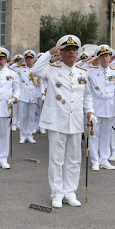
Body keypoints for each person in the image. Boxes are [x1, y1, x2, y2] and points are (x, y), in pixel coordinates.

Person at [31, 35, 94, 208]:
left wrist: (89, 111)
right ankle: (57, 193)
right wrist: (49, 53)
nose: (71, 52)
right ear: (61, 52)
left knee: (74, 159)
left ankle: (70, 191)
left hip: (75, 121)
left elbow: (87, 95)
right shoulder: (51, 69)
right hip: (56, 121)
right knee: (56, 160)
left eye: (74, 49)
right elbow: (35, 70)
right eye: (67, 49)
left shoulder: (82, 72)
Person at [87, 45, 115, 171]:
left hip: (109, 108)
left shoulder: (113, 72)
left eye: (107, 56)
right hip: (96, 107)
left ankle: (104, 159)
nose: (105, 58)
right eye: (102, 56)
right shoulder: (91, 71)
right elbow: (78, 68)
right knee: (94, 135)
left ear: (110, 57)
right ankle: (95, 160)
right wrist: (90, 61)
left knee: (106, 135)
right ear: (98, 58)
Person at [11, 50, 41, 144]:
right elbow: (10, 68)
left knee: (31, 117)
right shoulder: (20, 68)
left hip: (33, 96)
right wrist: (18, 63)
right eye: (27, 58)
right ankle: (23, 136)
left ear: (34, 59)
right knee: (23, 117)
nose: (29, 60)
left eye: (30, 58)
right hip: (23, 96)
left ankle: (30, 135)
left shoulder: (37, 70)